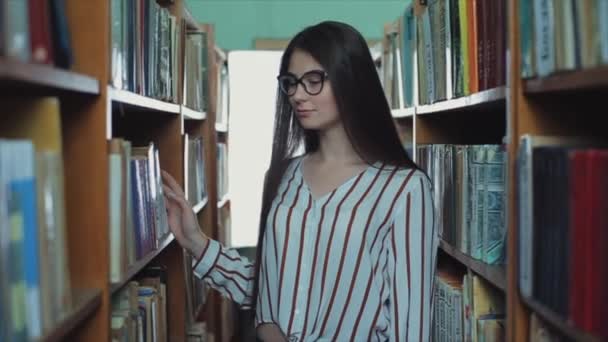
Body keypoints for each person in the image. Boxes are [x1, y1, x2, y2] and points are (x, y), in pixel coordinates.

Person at [162, 21, 438, 341]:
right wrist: (195, 241)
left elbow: (411, 327)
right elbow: (268, 286)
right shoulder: (283, 176)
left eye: (313, 80)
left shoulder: (405, 189)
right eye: (290, 83)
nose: (297, 95)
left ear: (352, 80)